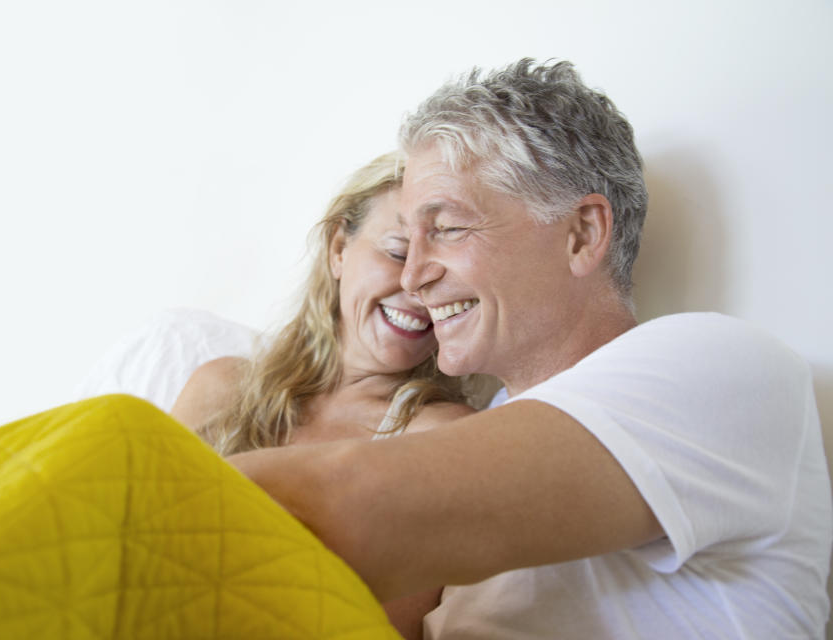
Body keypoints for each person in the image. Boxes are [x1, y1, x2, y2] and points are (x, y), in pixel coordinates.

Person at [229, 59, 833, 638]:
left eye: (446, 228)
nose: (412, 277)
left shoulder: (718, 366)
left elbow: (343, 507)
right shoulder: (478, 427)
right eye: (402, 241)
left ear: (582, 234)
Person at [170, 150, 489, 639]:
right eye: (399, 252)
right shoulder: (221, 388)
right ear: (339, 246)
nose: (417, 284)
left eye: (445, 270)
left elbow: (376, 629)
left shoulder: (439, 438)